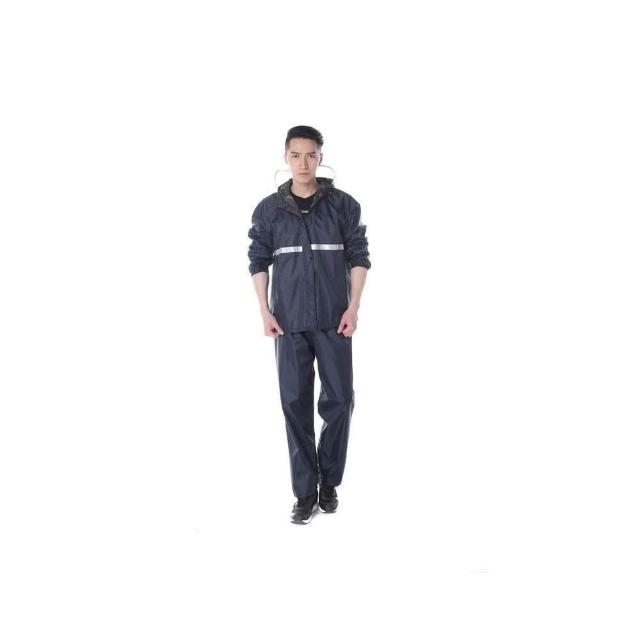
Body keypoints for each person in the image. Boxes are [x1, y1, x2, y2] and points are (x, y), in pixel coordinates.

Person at [247, 125, 371, 524]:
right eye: (296, 155)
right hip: (288, 321)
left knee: (340, 401)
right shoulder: (268, 210)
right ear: (286, 157)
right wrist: (264, 310)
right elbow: (258, 260)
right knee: (294, 404)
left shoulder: (343, 205)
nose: (303, 163)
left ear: (321, 157)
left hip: (335, 321)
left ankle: (328, 483)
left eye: (311, 155)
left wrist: (353, 307)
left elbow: (359, 256)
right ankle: (304, 494)